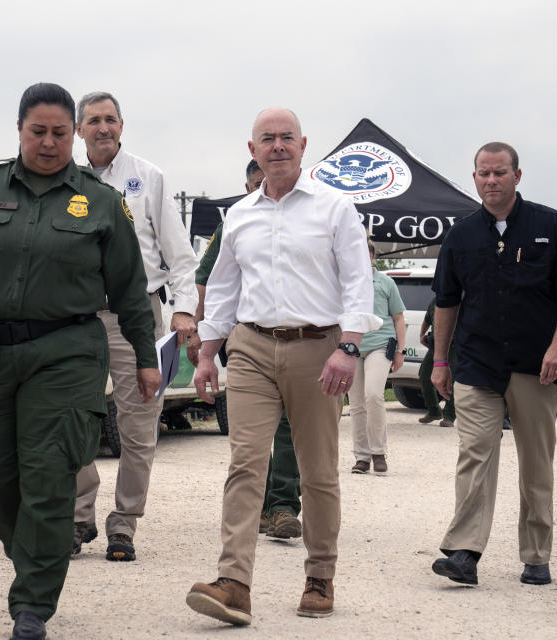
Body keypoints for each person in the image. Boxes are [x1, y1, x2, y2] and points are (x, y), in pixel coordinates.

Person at [0, 83, 159, 640]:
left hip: (66, 352)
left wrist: (145, 358)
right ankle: (37, 553)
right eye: (37, 131)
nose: (49, 143)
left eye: (60, 133)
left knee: (49, 475)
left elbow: (129, 288)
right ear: (19, 130)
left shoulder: (100, 201)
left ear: (73, 134)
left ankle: (32, 605)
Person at [184, 107, 380, 625]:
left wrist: (350, 346)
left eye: (286, 138)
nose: (277, 146)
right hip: (250, 348)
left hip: (320, 348)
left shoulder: (335, 208)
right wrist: (208, 353)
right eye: (267, 139)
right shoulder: (239, 216)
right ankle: (234, 583)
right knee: (246, 462)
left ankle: (319, 576)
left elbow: (358, 281)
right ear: (252, 151)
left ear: (303, 145)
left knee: (317, 470)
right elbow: (224, 288)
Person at [429, 141, 557, 589]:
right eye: (483, 173)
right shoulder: (461, 235)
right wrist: (441, 360)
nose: (491, 180)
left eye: (500, 173)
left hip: (536, 365)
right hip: (477, 363)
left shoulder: (550, 226)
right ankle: (464, 552)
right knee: (474, 453)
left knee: (536, 462)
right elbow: (446, 301)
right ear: (474, 177)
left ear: (518, 176)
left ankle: (536, 555)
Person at [72, 91, 199, 562]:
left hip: (137, 314)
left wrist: (185, 308)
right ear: (79, 129)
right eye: (93, 121)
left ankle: (123, 524)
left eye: (110, 119)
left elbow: (179, 253)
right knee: (73, 417)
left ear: (121, 125)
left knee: (139, 423)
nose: (103, 128)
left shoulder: (148, 178)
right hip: (78, 316)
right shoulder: (66, 179)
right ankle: (78, 517)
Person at [188, 159, 303, 539]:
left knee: (290, 426)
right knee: (253, 431)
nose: (262, 188)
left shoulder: (307, 216)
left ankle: (284, 505)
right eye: (256, 183)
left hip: (298, 340)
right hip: (243, 340)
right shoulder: (235, 220)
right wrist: (201, 340)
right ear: (247, 184)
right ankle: (262, 504)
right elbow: (206, 283)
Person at [349, 239, 406, 474]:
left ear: (373, 257)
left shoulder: (385, 282)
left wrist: (400, 351)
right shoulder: (347, 283)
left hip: (380, 345)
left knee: (373, 395)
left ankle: (378, 452)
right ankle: (362, 457)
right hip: (352, 348)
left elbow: (399, 318)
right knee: (356, 404)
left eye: (367, 254)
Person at [418, 297, 455, 427]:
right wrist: (422, 335)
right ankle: (434, 410)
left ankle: (450, 415)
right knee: (424, 376)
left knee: (451, 380)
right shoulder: (435, 301)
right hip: (436, 345)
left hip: (454, 346)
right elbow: (427, 319)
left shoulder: (459, 299)